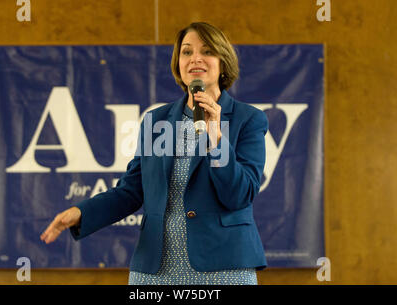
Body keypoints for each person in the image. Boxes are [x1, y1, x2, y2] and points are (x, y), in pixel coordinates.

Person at [40, 22, 268, 285]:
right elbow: (131, 191)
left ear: (223, 62)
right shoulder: (155, 121)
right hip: (156, 271)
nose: (195, 58)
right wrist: (81, 213)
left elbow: (239, 195)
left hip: (225, 267)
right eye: (186, 52)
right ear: (178, 63)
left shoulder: (248, 119)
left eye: (206, 51)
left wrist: (216, 136)